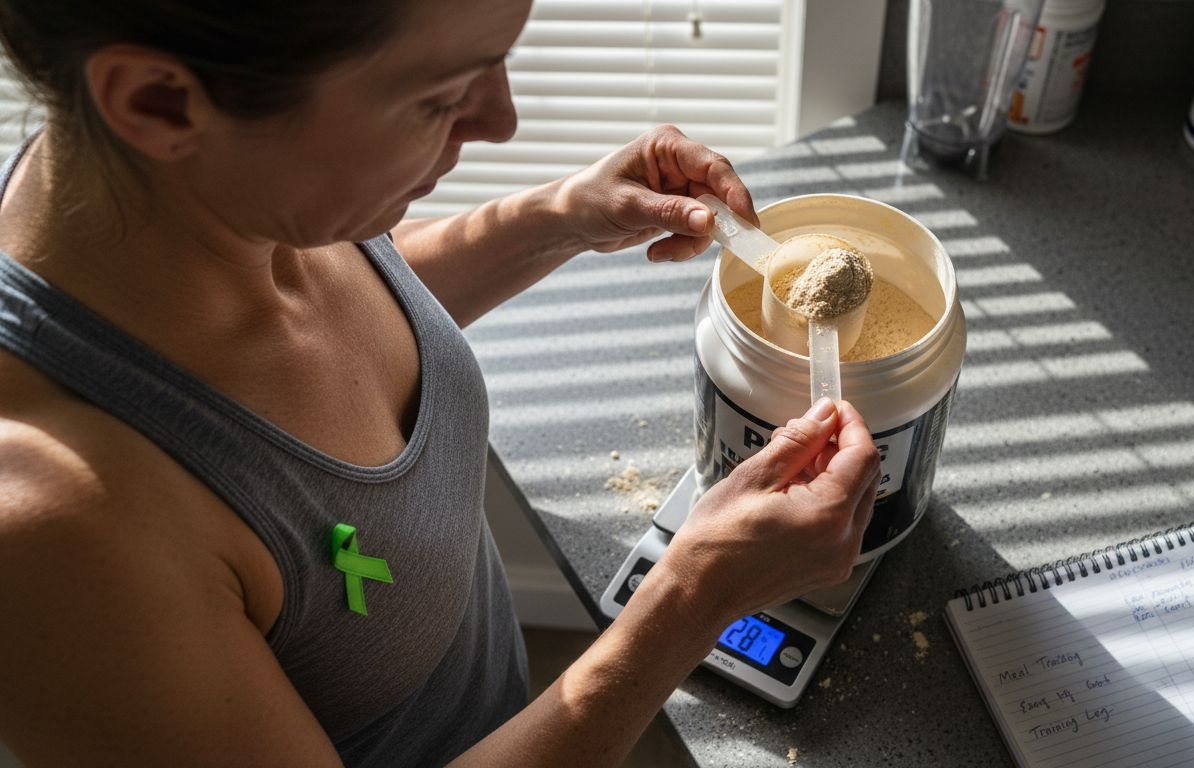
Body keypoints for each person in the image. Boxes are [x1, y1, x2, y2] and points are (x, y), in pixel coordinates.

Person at [0, 1, 880, 766]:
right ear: (157, 101)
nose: (501, 120)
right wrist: (692, 599)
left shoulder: (167, 187)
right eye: (440, 96)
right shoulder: (63, 541)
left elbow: (359, 307)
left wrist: (559, 217)